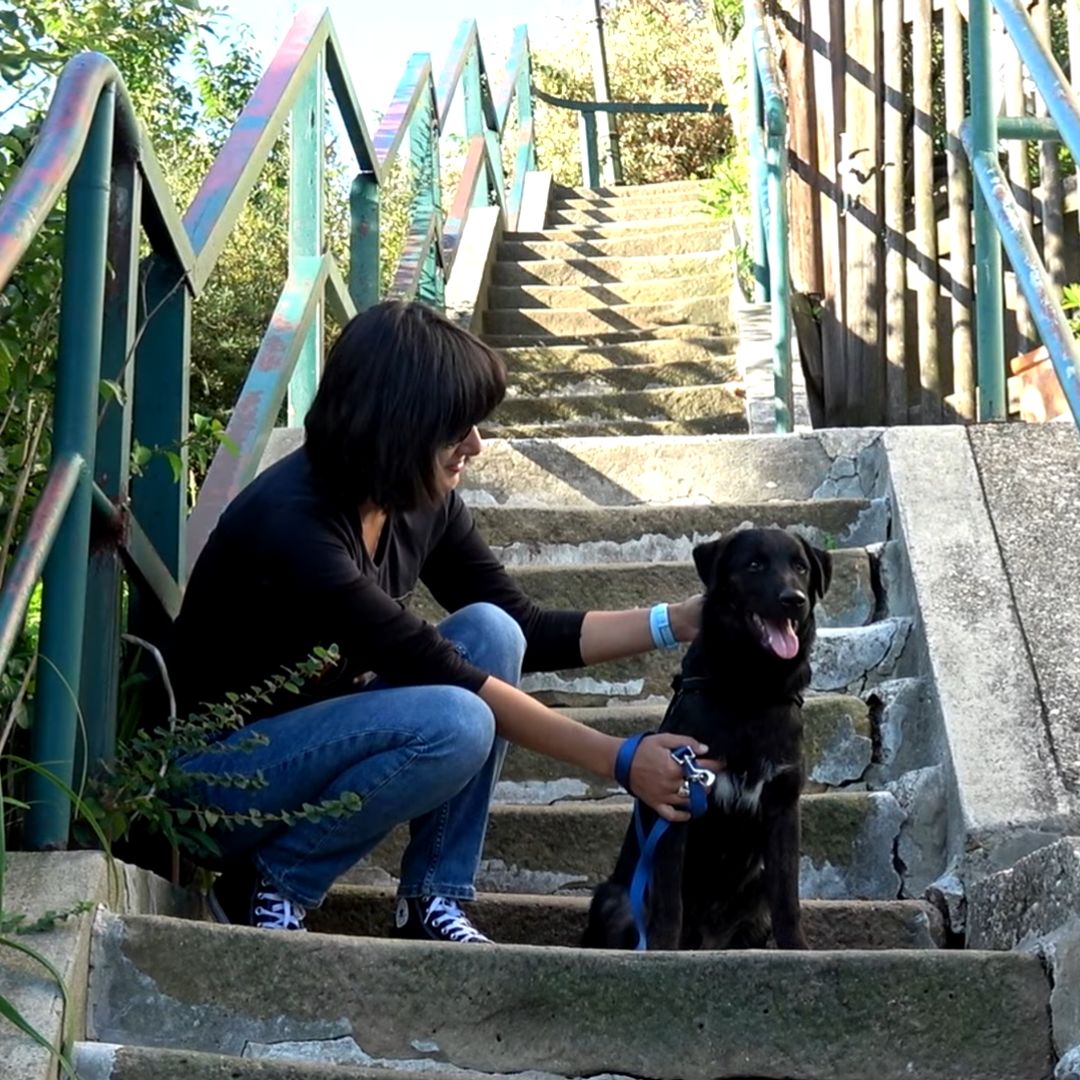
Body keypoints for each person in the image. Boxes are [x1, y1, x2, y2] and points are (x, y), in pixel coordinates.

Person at [166, 299, 712, 941]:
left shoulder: (417, 500)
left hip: (309, 749)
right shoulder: (295, 526)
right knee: (454, 721)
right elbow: (437, 668)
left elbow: (524, 626)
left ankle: (432, 899)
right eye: (458, 428)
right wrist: (622, 761)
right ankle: (271, 880)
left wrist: (679, 621)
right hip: (219, 785)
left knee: (492, 631)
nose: (476, 446)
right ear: (399, 424)